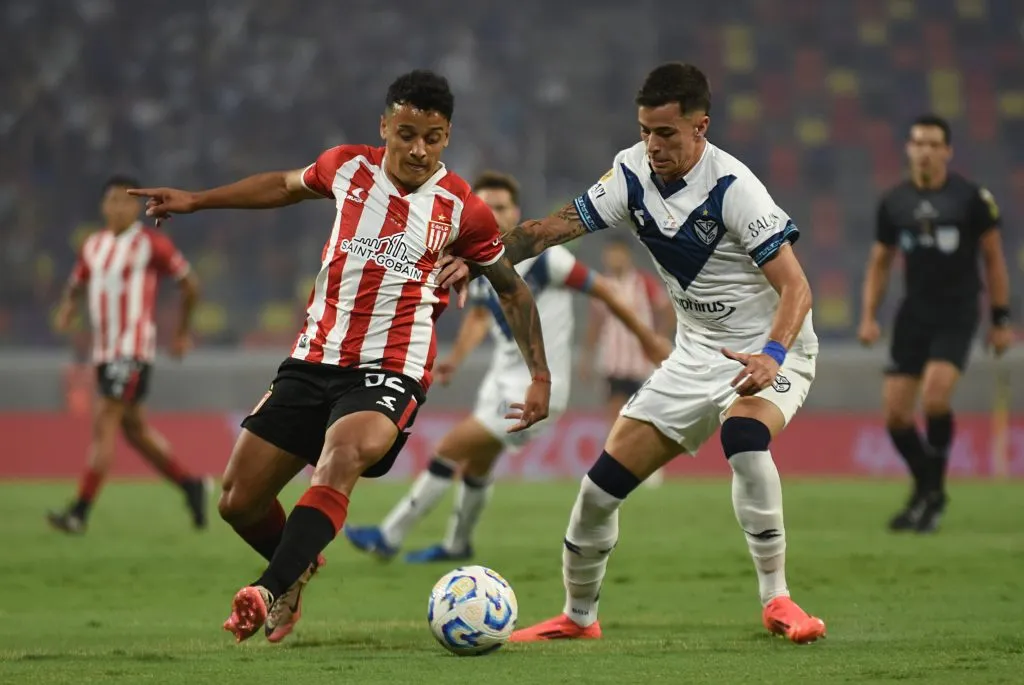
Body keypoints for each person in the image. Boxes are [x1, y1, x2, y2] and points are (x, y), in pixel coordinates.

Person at [128, 71, 551, 645]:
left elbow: (512, 290)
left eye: (432, 138)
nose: (418, 150)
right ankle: (297, 567)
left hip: (391, 369)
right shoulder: (347, 167)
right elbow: (282, 186)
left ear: (447, 137)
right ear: (385, 127)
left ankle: (267, 590)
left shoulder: (462, 208)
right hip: (314, 357)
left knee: (342, 454)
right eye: (406, 134)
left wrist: (539, 376)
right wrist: (198, 201)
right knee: (238, 501)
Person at [445, 62, 826, 644]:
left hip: (771, 347)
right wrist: (477, 257)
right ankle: (578, 617)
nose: (653, 145)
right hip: (694, 354)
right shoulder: (630, 173)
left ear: (701, 127)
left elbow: (797, 287)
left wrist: (773, 354)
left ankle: (778, 600)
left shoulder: (734, 189)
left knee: (744, 440)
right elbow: (547, 230)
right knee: (599, 490)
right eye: (646, 131)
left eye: (666, 133)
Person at [343, 171, 670, 563]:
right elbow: (480, 316)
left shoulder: (547, 259)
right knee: (477, 463)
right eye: (485, 207)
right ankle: (457, 544)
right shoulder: (477, 260)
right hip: (499, 381)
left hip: (533, 388)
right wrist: (455, 360)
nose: (493, 215)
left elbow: (606, 291)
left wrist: (647, 338)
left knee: (449, 448)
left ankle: (389, 536)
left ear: (515, 212)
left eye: (501, 207)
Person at [858, 114, 1012, 533]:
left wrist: (1000, 318)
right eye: (918, 143)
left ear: (947, 151)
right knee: (896, 415)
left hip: (957, 311)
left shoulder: (971, 199)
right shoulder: (894, 202)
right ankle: (930, 490)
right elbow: (880, 262)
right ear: (909, 149)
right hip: (914, 314)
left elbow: (994, 259)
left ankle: (930, 493)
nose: (925, 151)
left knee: (935, 397)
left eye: (933, 144)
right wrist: (869, 316)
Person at [47, 175, 206, 535]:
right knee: (134, 431)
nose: (118, 207)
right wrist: (67, 308)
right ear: (103, 206)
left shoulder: (151, 244)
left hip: (132, 350)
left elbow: (190, 285)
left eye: (125, 200)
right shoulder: (93, 245)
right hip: (104, 352)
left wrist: (181, 333)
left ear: (136, 207)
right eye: (112, 200)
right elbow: (76, 283)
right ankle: (190, 485)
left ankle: (79, 512)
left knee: (105, 419)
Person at [582, 236, 674, 486]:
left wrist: (659, 338)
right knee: (615, 415)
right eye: (610, 253)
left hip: (641, 362)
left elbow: (667, 309)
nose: (614, 258)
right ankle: (616, 466)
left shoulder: (644, 282)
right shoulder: (601, 285)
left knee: (647, 414)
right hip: (613, 361)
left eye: (618, 252)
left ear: (627, 255)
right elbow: (595, 323)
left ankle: (650, 467)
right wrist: (587, 357)